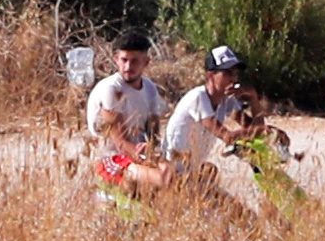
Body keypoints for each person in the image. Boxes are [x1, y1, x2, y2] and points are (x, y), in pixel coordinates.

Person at [84, 30, 172, 198]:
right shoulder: (111, 89)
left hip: (137, 155)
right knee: (162, 177)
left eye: (134, 61)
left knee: (179, 173)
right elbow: (120, 142)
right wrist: (146, 157)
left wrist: (151, 148)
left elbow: (153, 133)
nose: (128, 67)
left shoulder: (150, 89)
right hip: (112, 159)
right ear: (116, 59)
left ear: (146, 62)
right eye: (124, 60)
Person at [160, 45, 263, 185]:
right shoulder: (198, 97)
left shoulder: (226, 100)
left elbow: (256, 129)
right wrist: (263, 131)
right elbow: (227, 137)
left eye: (235, 73)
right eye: (227, 73)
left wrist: (254, 100)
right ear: (210, 75)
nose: (233, 79)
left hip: (190, 172)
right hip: (173, 175)